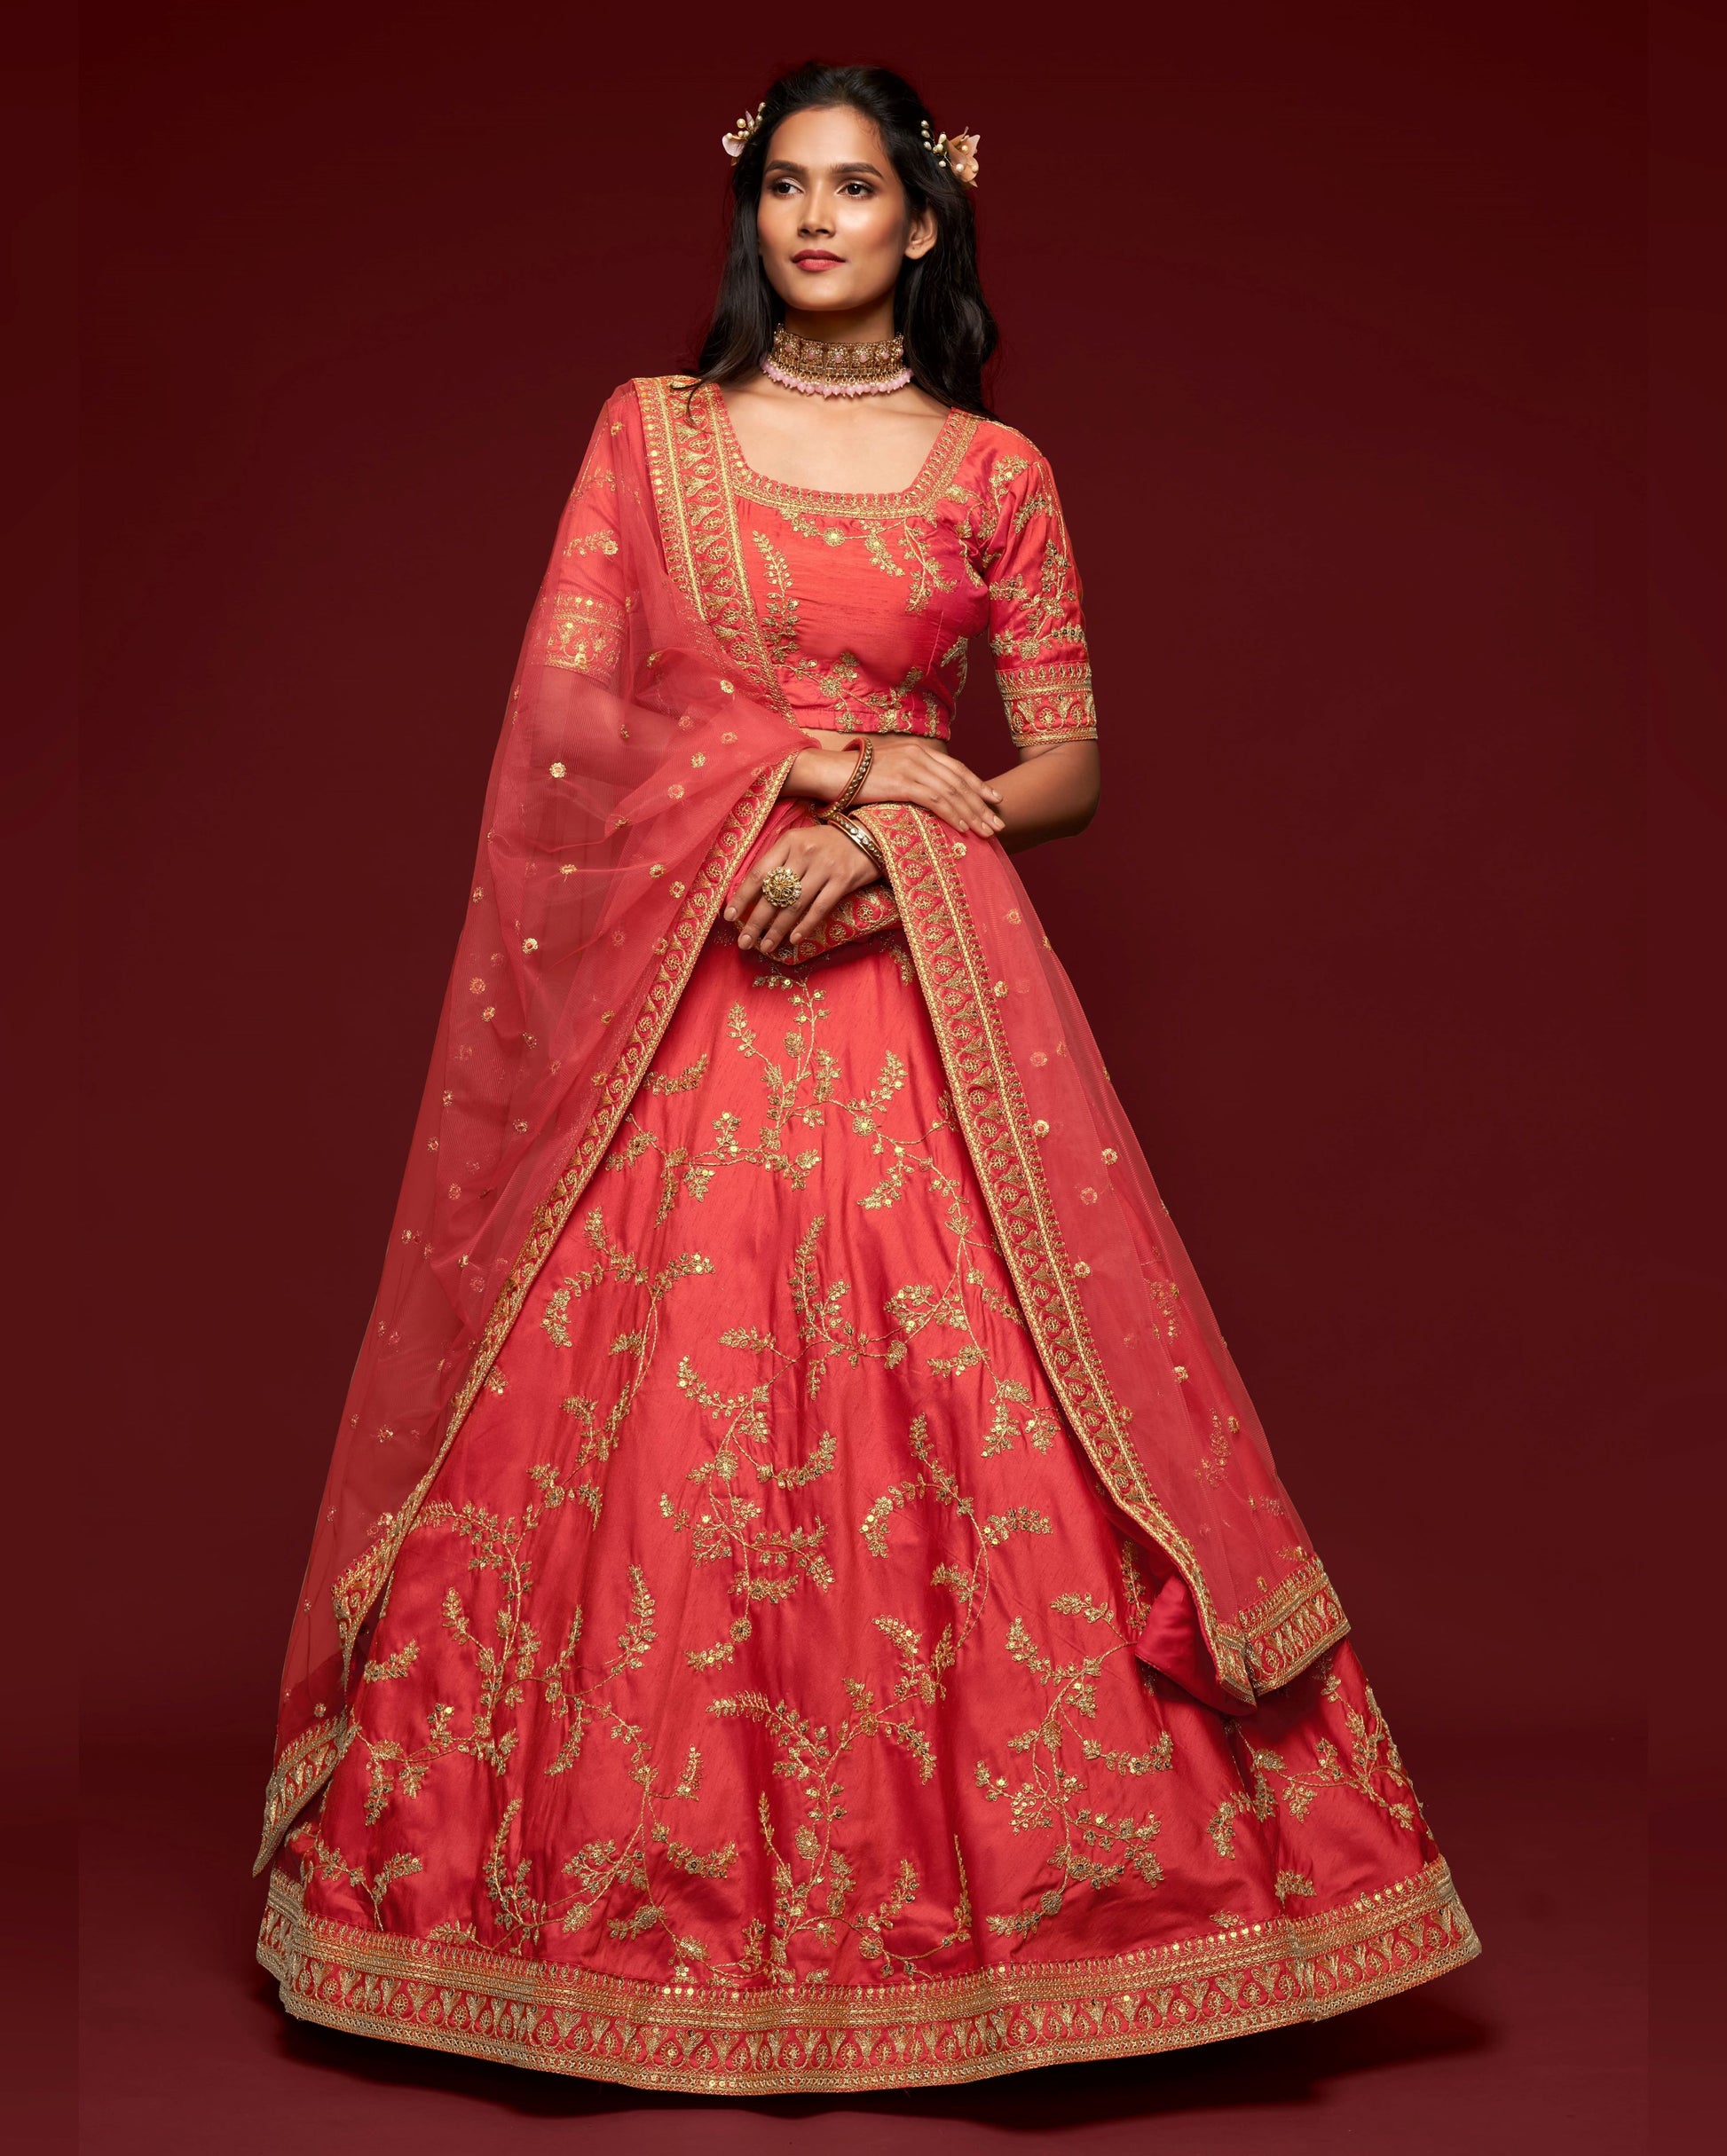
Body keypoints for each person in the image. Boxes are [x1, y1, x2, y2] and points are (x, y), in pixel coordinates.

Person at [256, 62, 1479, 2094]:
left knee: (975, 1415)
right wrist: (814, 768)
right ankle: (602, 1930)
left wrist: (910, 820)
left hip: (929, 1000)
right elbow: (566, 736)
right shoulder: (649, 444)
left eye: (856, 191)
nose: (814, 222)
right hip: (688, 987)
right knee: (655, 1430)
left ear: (925, 225)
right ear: (753, 220)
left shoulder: (998, 472)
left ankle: (1021, 1927)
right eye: (784, 189)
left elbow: (1068, 770)